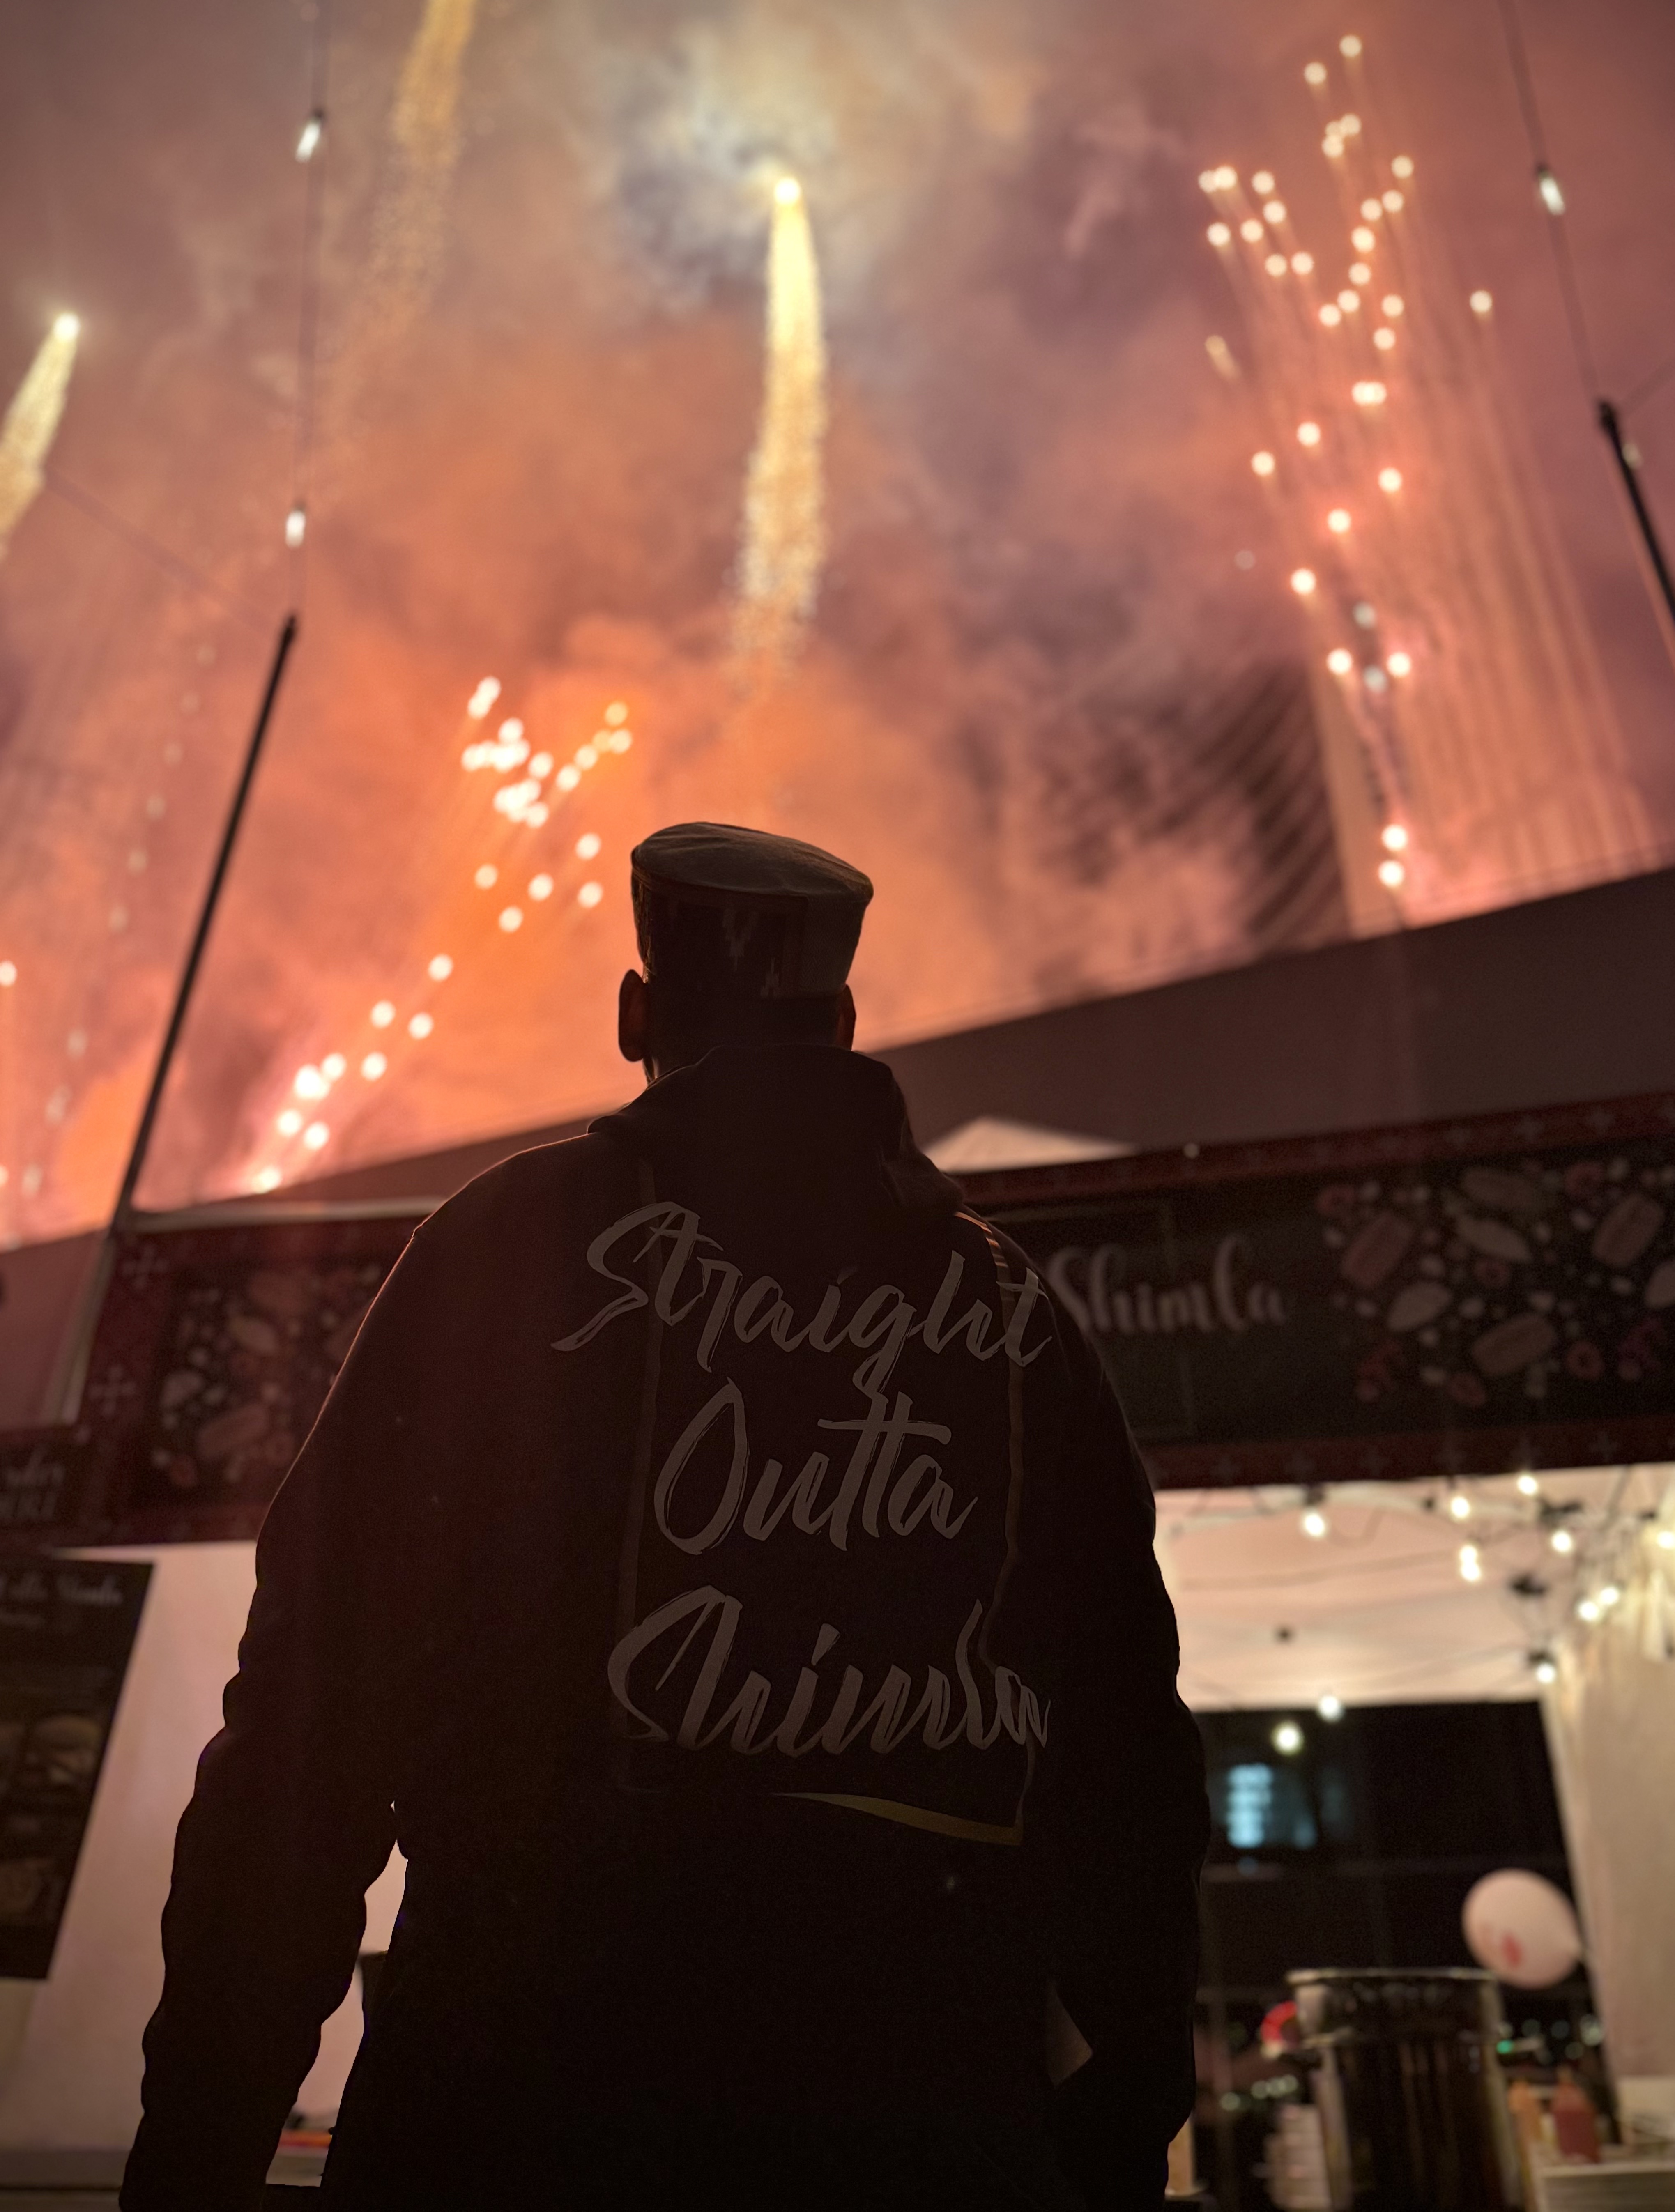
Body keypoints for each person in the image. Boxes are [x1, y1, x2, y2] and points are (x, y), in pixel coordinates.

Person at [122, 821, 1209, 2212]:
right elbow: (1132, 1787)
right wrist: (1106, 2145)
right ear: (848, 1022)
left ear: (638, 1014)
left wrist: (194, 2154)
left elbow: (305, 1733)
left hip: (511, 2129)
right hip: (926, 2143)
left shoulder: (504, 1247)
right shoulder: (1018, 1323)